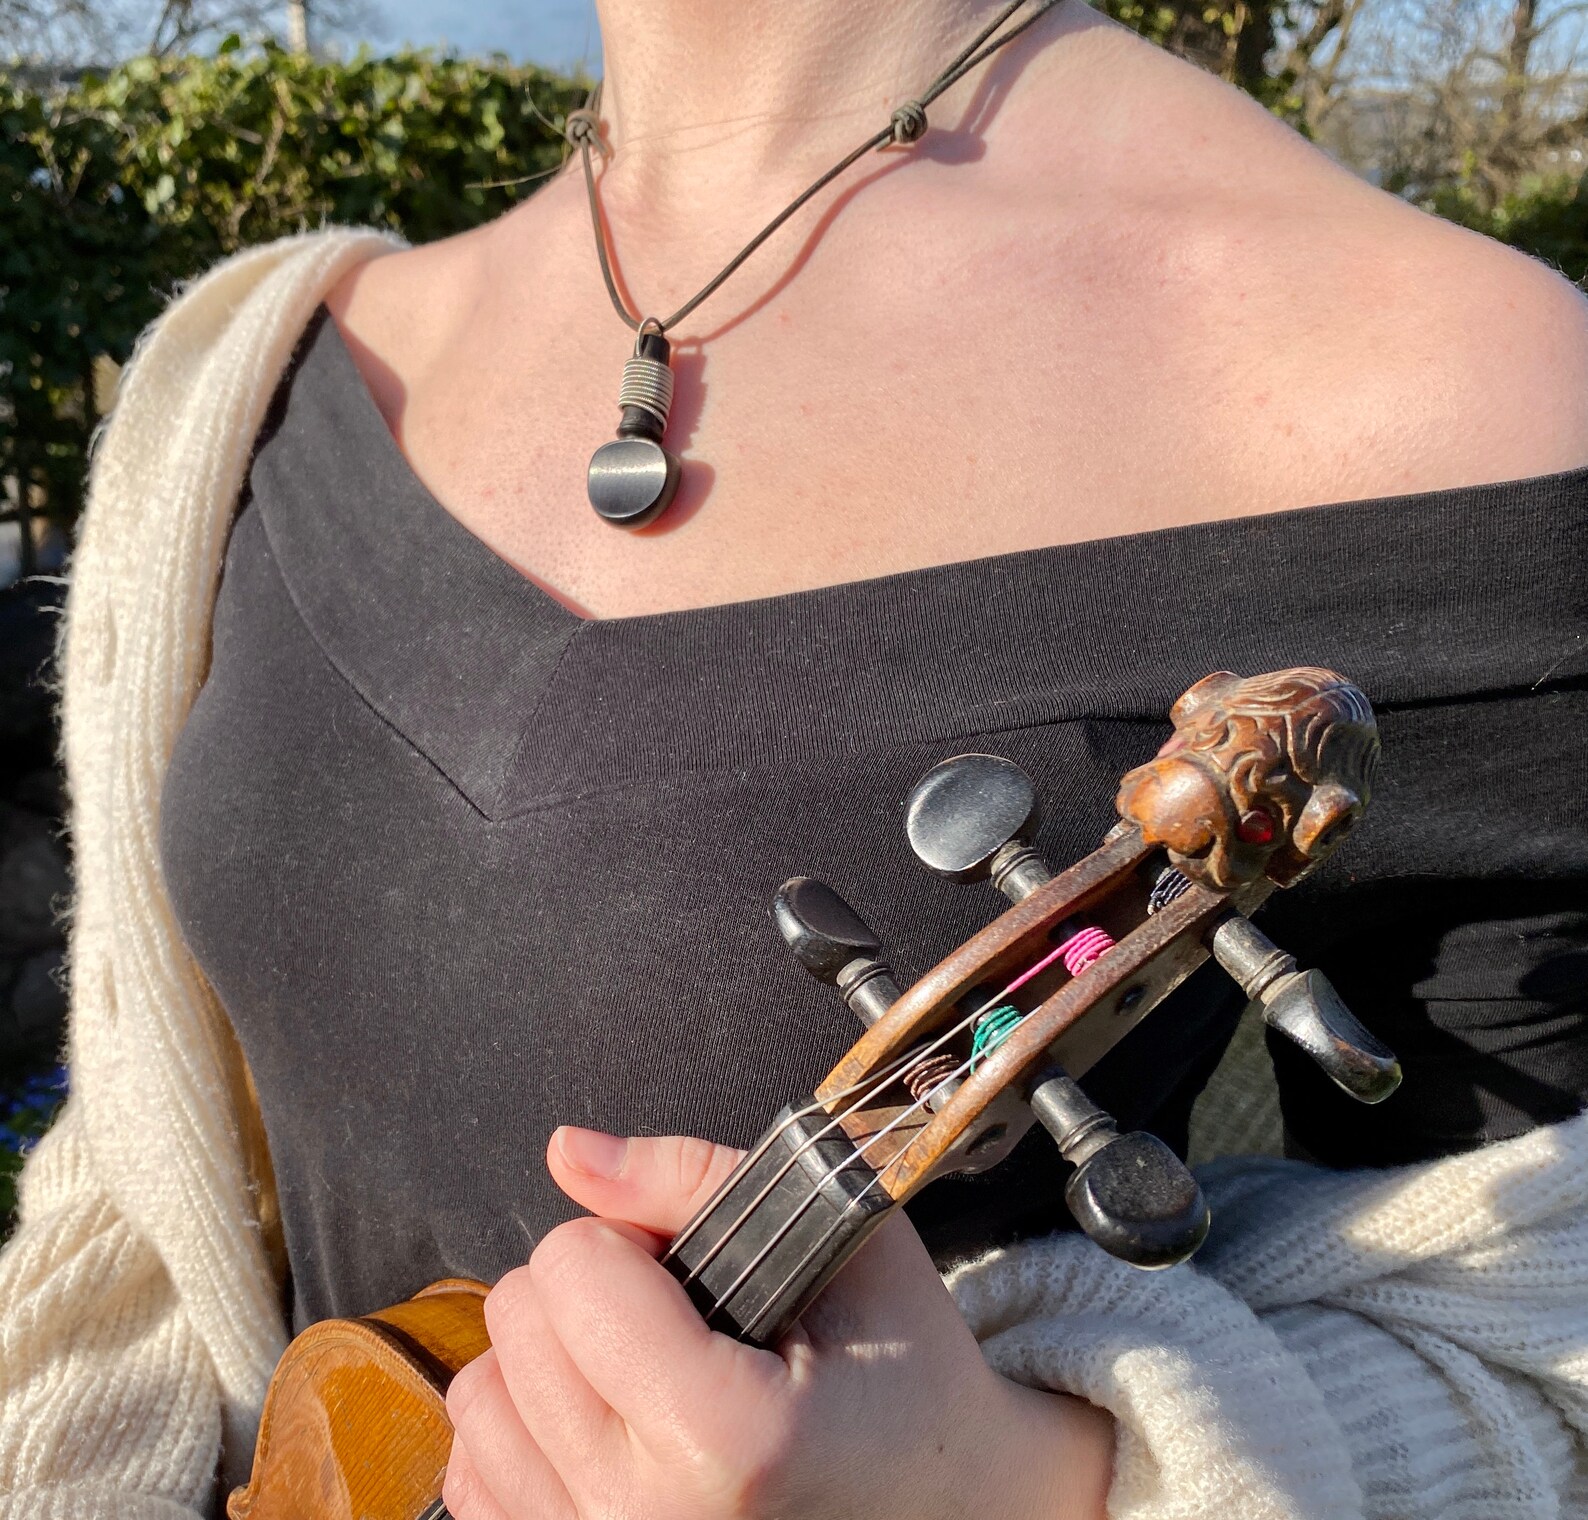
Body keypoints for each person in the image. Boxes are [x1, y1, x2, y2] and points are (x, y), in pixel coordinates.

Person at [2, 1, 1585, 1516]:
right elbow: (150, 1180)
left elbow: (1556, 1388)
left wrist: (1017, 1491)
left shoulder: (1458, 397)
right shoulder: (256, 375)